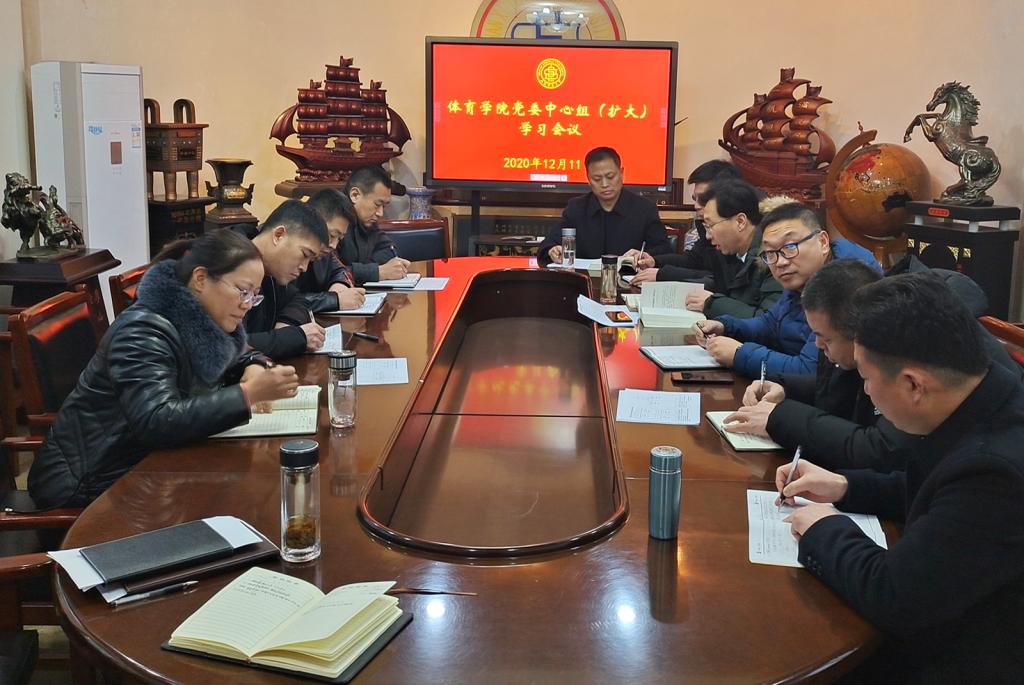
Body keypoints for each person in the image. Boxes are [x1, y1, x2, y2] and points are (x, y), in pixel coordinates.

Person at [776, 273, 1024, 683]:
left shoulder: (994, 472)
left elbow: (893, 595)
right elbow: (936, 492)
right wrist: (845, 486)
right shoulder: (983, 396)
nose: (865, 392)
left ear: (913, 385)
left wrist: (824, 527)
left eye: (866, 378)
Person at [27, 229, 300, 508]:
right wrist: (247, 395)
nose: (247, 305)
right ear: (201, 279)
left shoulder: (203, 319)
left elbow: (240, 352)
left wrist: (255, 365)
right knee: (249, 500)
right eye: (243, 291)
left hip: (149, 464)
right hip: (91, 482)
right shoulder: (142, 332)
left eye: (254, 296)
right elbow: (155, 420)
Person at [725, 259, 1024, 472]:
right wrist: (784, 388)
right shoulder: (861, 330)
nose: (817, 345)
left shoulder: (907, 343)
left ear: (858, 333)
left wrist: (779, 418)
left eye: (825, 338)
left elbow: (883, 448)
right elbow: (838, 388)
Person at [694, 201, 878, 376]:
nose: (780, 262)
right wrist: (727, 327)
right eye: (770, 253)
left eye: (790, 247)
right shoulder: (802, 279)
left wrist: (739, 354)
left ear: (822, 242)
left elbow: (811, 371)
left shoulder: (849, 285)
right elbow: (771, 324)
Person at [643, 178, 781, 318]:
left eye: (710, 226)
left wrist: (712, 303)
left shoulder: (775, 256)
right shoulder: (732, 253)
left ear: (740, 222)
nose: (708, 236)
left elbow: (769, 321)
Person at [536, 147, 671, 265]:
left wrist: (643, 256)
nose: (605, 184)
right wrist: (552, 249)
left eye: (610, 176)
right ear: (588, 179)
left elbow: (663, 250)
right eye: (597, 179)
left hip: (630, 281)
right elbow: (548, 244)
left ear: (621, 173)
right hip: (585, 281)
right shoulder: (576, 208)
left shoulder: (644, 209)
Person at [232, 199, 329, 359]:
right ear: (279, 235)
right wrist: (291, 338)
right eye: (304, 254)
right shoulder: (227, 264)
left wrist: (287, 325)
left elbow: (298, 299)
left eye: (310, 260)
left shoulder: (272, 271)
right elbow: (227, 346)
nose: (304, 268)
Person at [628, 159, 743, 285]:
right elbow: (692, 260)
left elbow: (721, 277)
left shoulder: (737, 233)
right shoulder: (706, 226)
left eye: (703, 199)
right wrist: (654, 261)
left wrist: (663, 274)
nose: (696, 206)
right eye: (695, 199)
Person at [295, 188, 366, 313]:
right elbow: (286, 303)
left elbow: (339, 270)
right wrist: (334, 300)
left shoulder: (324, 249)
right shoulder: (286, 250)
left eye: (340, 238)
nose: (334, 245)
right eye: (332, 235)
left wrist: (340, 285)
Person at [338, 165, 410, 285]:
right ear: (355, 195)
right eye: (377, 204)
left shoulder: (367, 221)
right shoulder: (333, 221)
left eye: (384, 206)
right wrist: (377, 271)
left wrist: (364, 268)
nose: (380, 213)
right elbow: (331, 273)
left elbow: (390, 250)